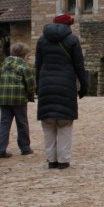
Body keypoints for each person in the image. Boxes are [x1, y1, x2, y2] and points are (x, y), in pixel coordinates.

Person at [34, 14, 89, 169]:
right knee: (64, 125)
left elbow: (37, 66)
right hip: (66, 86)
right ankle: (63, 160)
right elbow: (79, 66)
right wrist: (84, 87)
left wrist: (38, 87)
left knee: (48, 124)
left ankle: (51, 159)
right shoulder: (72, 40)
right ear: (68, 25)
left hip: (46, 85)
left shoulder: (42, 40)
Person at [0, 42, 37, 159]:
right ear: (23, 54)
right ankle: (25, 148)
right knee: (22, 123)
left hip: (4, 98)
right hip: (19, 98)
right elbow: (31, 83)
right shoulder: (23, 66)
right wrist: (30, 95)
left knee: (4, 123)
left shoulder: (5, 64)